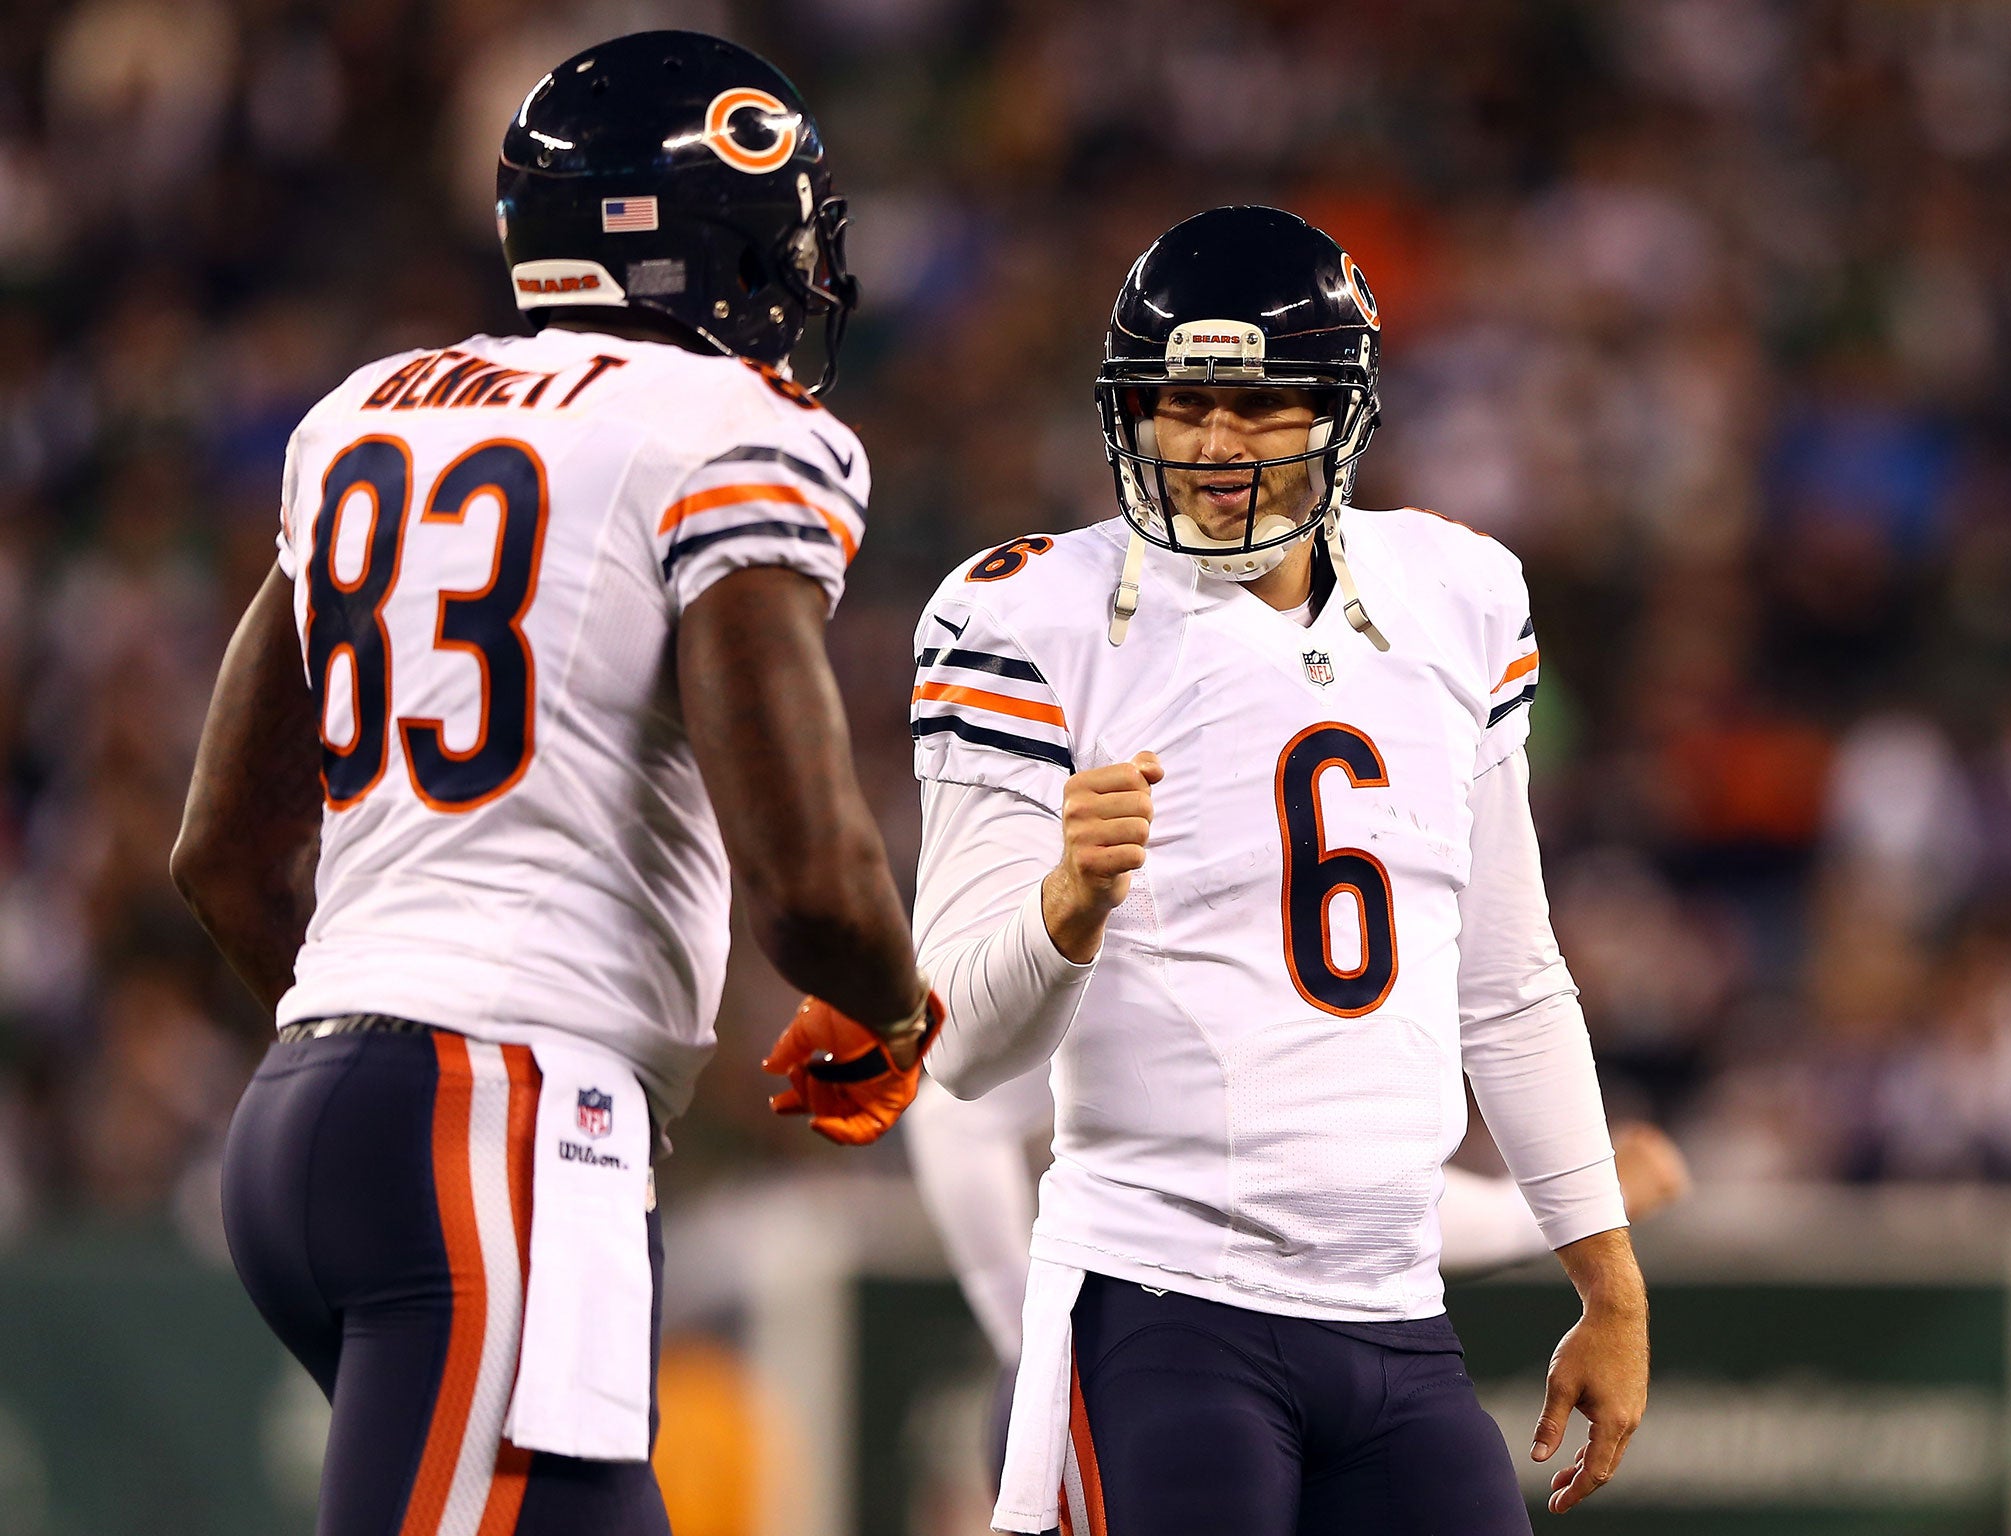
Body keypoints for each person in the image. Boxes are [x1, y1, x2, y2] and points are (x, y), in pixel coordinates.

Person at [171, 32, 937, 1536]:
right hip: (498, 1121)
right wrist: (899, 1007)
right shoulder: (726, 431)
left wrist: (368, 1043)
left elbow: (223, 855)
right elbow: (813, 883)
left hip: (325, 1111)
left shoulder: (367, 411)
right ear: (707, 243)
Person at [897, 206, 1649, 1535]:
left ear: (1341, 411)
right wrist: (1065, 909)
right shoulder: (1025, 616)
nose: (1214, 444)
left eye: (1257, 404)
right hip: (1157, 1300)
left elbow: (1511, 980)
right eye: (1183, 402)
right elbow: (955, 1054)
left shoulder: (1456, 592)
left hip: (1393, 1316)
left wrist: (1609, 1281)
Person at [901, 1071, 1689, 1490]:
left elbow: (1342, 1196)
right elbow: (953, 1113)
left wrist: (1568, 1211)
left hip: (1335, 1351)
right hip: (1136, 1350)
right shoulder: (1159, 897)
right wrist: (1033, 1343)